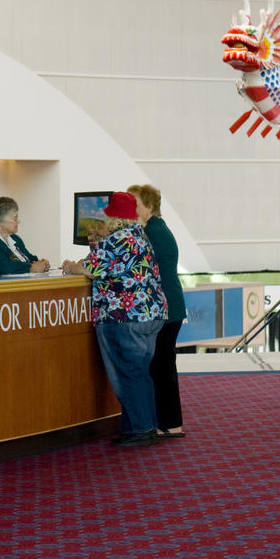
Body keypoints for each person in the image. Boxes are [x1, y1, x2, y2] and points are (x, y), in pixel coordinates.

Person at [61, 191, 167, 448]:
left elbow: (90, 268)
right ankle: (144, 427)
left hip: (123, 315)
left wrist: (70, 266)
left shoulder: (117, 240)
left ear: (113, 217)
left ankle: (140, 429)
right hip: (150, 313)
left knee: (128, 374)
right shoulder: (139, 236)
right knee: (140, 373)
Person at [127, 184, 187, 439]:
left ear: (149, 206)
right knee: (162, 366)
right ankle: (168, 422)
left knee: (162, 368)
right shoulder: (155, 229)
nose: (132, 209)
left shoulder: (152, 232)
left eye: (136, 204)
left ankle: (171, 423)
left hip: (165, 309)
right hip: (168, 306)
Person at [0, 196, 50, 275]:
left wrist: (41, 264)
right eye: (15, 218)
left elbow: (29, 259)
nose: (18, 221)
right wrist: (32, 268)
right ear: (0, 220)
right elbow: (5, 267)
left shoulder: (15, 239)